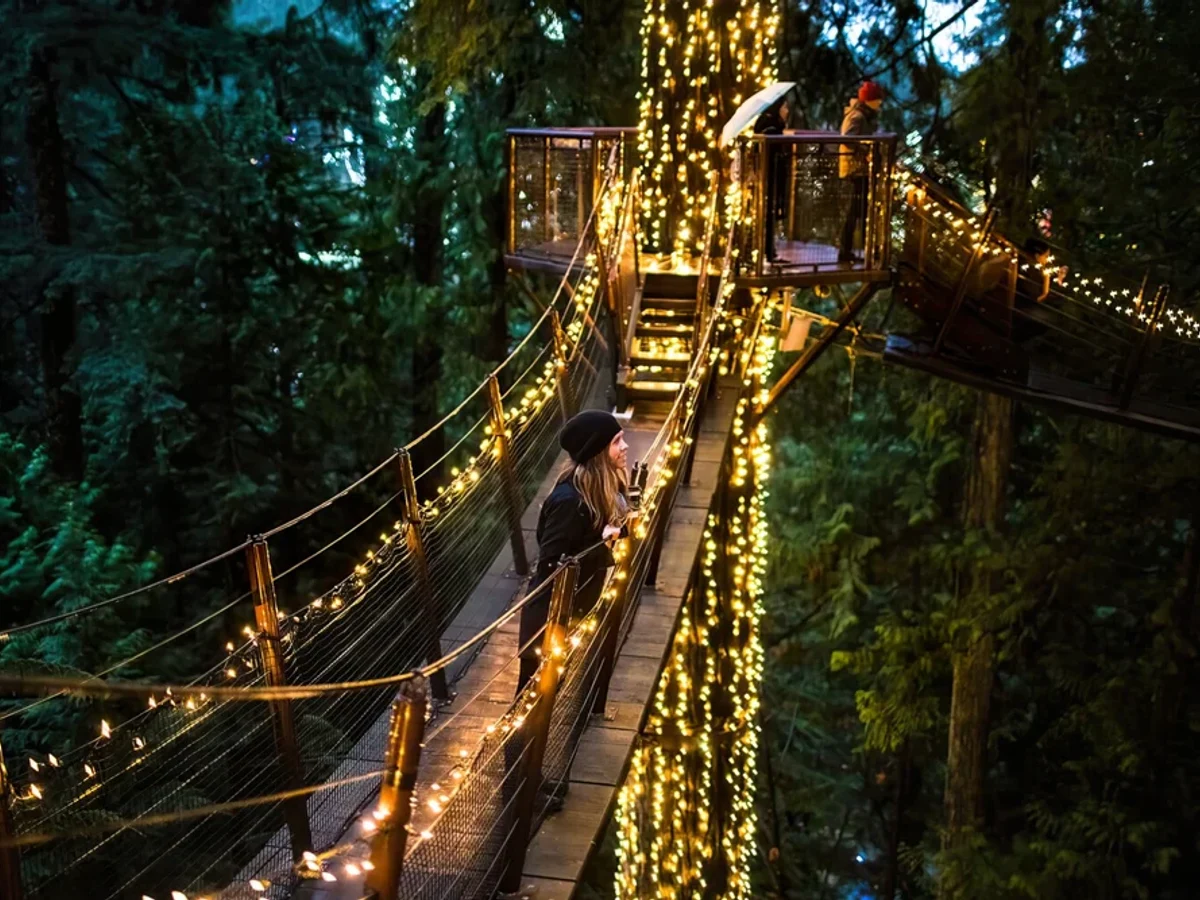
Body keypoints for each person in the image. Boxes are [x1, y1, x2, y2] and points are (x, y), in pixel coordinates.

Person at [517, 409, 629, 694]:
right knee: (533, 698)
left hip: (575, 609)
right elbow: (550, 564)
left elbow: (600, 531)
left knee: (554, 692)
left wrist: (615, 532)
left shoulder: (602, 489)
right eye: (617, 441)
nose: (625, 447)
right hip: (550, 619)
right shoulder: (569, 501)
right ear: (597, 450)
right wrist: (600, 544)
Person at [839, 81, 884, 263]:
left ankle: (852, 250)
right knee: (857, 211)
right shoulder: (857, 117)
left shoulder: (859, 115)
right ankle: (849, 250)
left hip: (857, 169)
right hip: (856, 169)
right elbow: (848, 139)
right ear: (870, 100)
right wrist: (865, 150)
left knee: (859, 211)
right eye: (877, 100)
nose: (880, 104)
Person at [754, 97, 791, 263]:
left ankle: (769, 250)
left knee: (769, 212)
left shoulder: (771, 123)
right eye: (785, 106)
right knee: (768, 212)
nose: (787, 110)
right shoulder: (771, 126)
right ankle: (767, 251)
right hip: (770, 175)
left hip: (771, 174)